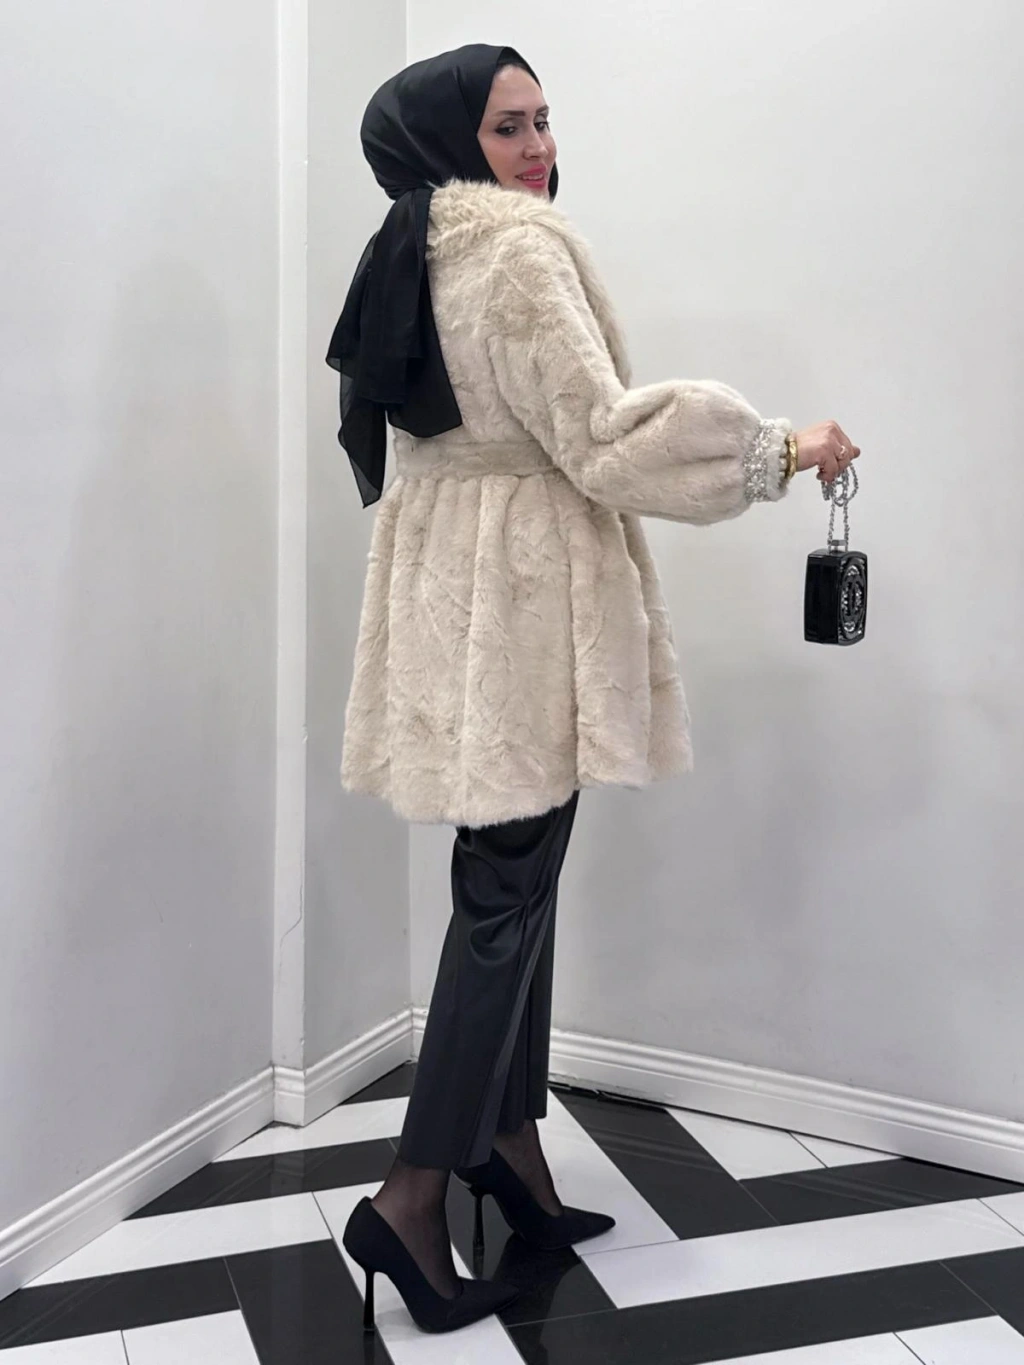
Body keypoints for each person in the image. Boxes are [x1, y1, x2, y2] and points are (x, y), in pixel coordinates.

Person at [327, 43, 861, 1336]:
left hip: (455, 589)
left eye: (543, 121)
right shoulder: (513, 252)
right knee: (506, 892)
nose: (538, 148)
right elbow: (602, 440)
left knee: (515, 873)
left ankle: (510, 1151)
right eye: (508, 126)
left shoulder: (410, 247)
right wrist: (777, 451)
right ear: (449, 140)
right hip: (522, 604)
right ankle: (409, 1198)